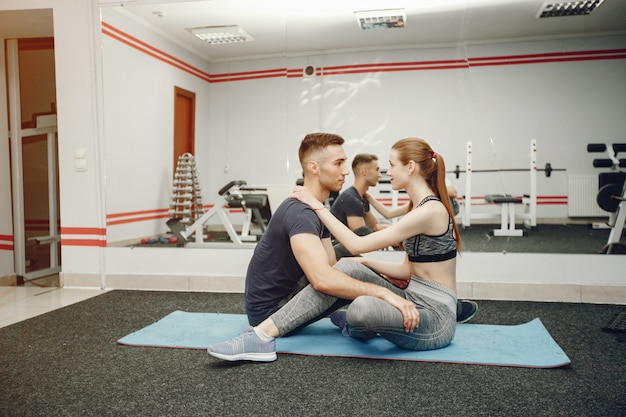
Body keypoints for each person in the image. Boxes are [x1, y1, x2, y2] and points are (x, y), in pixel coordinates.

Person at [207, 133, 418, 362]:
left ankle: (361, 314)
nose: (346, 171)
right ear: (314, 167)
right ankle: (259, 338)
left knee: (347, 261)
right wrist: (384, 293)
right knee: (336, 279)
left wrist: (378, 273)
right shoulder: (301, 213)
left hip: (288, 294)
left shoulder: (316, 209)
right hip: (272, 312)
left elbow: (332, 264)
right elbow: (323, 280)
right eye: (338, 163)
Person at [333, 154, 477, 323]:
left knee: (363, 305)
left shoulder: (428, 210)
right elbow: (366, 233)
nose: (385, 174)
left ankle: (359, 321)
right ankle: (360, 322)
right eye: (380, 169)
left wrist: (317, 207)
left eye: (391, 166)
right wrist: (389, 237)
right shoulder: (355, 197)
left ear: (410, 167)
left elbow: (361, 238)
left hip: (433, 307)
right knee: (350, 268)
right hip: (416, 292)